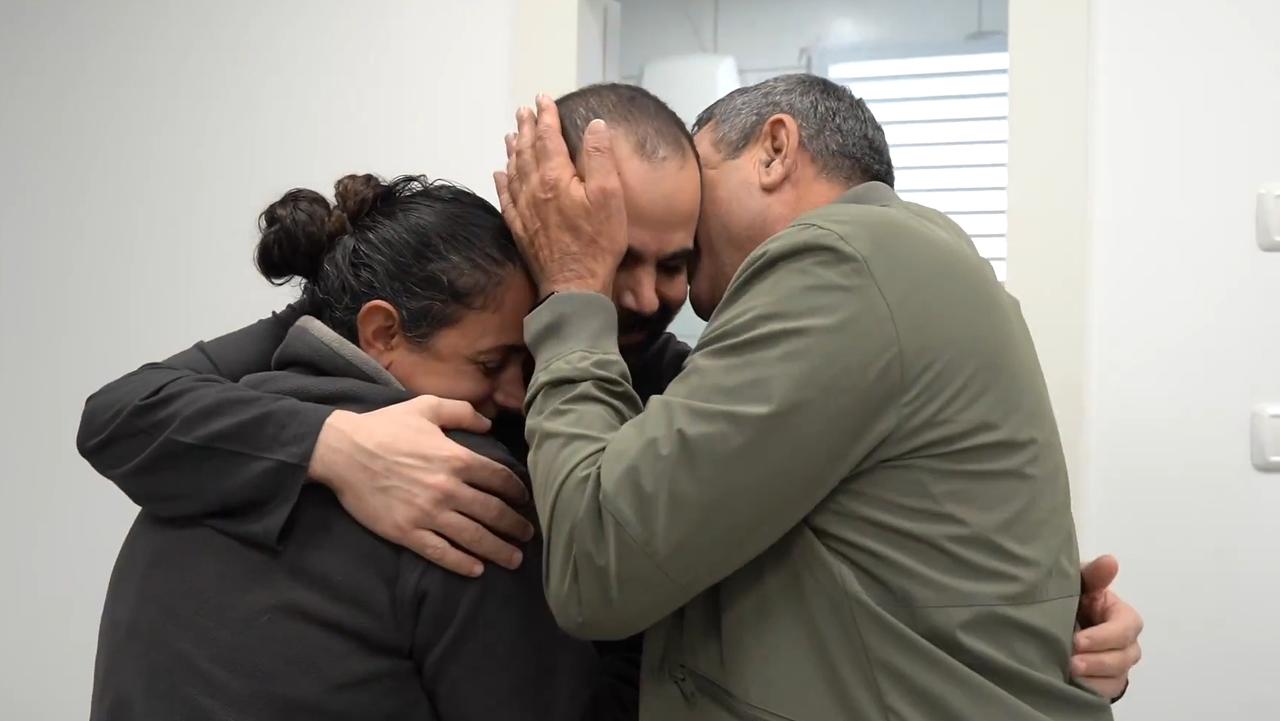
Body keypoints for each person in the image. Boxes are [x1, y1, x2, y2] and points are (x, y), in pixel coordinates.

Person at [76, 84, 1139, 700]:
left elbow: (788, 526)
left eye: (676, 264)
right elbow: (124, 409)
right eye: (611, 254)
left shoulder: (671, 365)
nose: (650, 296)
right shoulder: (456, 287)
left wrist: (1024, 619)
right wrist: (335, 447)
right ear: (549, 227)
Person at [494, 75, 1126, 720]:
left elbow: (599, 567)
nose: (657, 284)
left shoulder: (839, 264)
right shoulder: (924, 263)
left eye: (698, 182)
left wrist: (574, 289)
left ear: (773, 150)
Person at [90, 174, 635, 720]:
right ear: (380, 332)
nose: (518, 395)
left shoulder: (193, 469)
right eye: (492, 364)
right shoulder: (462, 484)